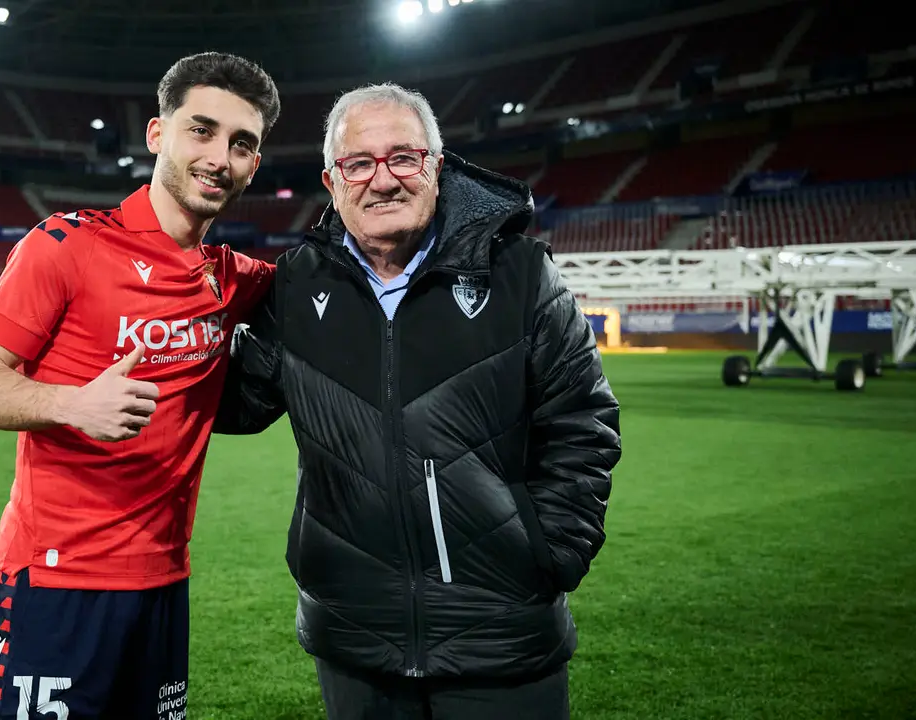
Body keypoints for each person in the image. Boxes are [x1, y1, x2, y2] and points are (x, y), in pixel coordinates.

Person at [215, 83, 622, 719]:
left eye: (404, 157)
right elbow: (234, 405)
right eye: (359, 163)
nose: (384, 181)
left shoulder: (519, 273)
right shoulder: (297, 285)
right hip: (354, 635)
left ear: (436, 165)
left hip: (502, 633)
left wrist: (548, 556)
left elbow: (582, 422)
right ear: (332, 179)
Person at [0, 51, 280, 720]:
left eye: (241, 144)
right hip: (58, 580)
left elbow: (338, 286)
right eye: (202, 130)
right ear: (158, 134)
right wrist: (72, 403)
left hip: (164, 582)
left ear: (254, 164)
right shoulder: (65, 247)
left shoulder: (231, 276)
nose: (220, 155)